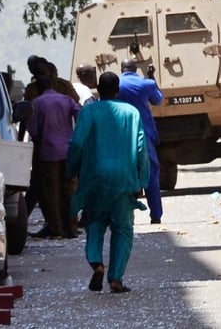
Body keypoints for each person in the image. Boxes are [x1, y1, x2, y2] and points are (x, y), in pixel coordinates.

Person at [68, 71, 150, 294]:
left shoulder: (88, 112)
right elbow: (142, 149)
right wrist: (141, 179)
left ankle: (97, 263)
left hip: (94, 179)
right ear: (117, 90)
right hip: (124, 180)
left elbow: (76, 145)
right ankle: (116, 278)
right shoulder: (131, 113)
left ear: (97, 89)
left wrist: (71, 170)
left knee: (95, 224)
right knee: (123, 230)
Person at [26, 74, 82, 239]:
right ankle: (72, 228)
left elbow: (33, 130)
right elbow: (81, 113)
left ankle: (56, 229)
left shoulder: (36, 104)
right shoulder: (66, 100)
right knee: (70, 190)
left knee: (51, 193)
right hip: (68, 150)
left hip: (48, 153)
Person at [116, 58, 164, 224]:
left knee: (125, 175)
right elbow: (157, 100)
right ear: (136, 69)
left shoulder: (116, 84)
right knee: (151, 174)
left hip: (121, 136)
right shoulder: (147, 84)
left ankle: (127, 216)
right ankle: (156, 215)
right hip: (144, 134)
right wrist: (152, 79)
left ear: (122, 69)